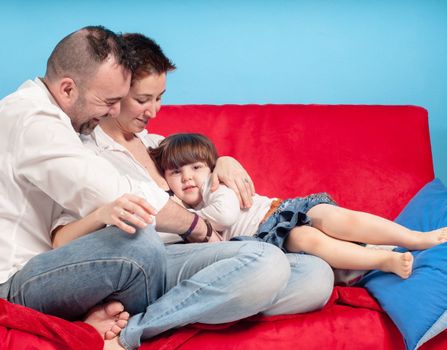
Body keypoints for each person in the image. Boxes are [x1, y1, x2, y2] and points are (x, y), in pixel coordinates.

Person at [0, 27, 333, 350]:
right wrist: (199, 229)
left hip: (150, 266)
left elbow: (190, 165)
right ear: (69, 89)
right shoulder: (42, 125)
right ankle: (139, 330)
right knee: (144, 242)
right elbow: (103, 197)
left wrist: (221, 160)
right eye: (117, 100)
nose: (116, 109)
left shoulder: (145, 142)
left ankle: (204, 300)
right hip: (3, 282)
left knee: (311, 274)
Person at [55, 33, 335, 349]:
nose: (153, 111)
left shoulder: (155, 144)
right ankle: (133, 332)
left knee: (316, 276)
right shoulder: (88, 154)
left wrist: (223, 162)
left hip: (206, 251)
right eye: (143, 100)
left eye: (159, 98)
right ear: (116, 93)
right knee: (268, 263)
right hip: (155, 260)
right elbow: (63, 237)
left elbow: (196, 171)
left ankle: (195, 307)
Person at [149, 133, 447, 279]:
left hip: (282, 210)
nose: (187, 177)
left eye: (196, 168)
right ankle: (384, 262)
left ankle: (414, 237)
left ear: (210, 168)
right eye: (176, 172)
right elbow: (163, 233)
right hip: (267, 239)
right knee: (308, 239)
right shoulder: (175, 206)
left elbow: (225, 215)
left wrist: (188, 220)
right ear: (165, 177)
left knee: (331, 216)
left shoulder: (217, 185)